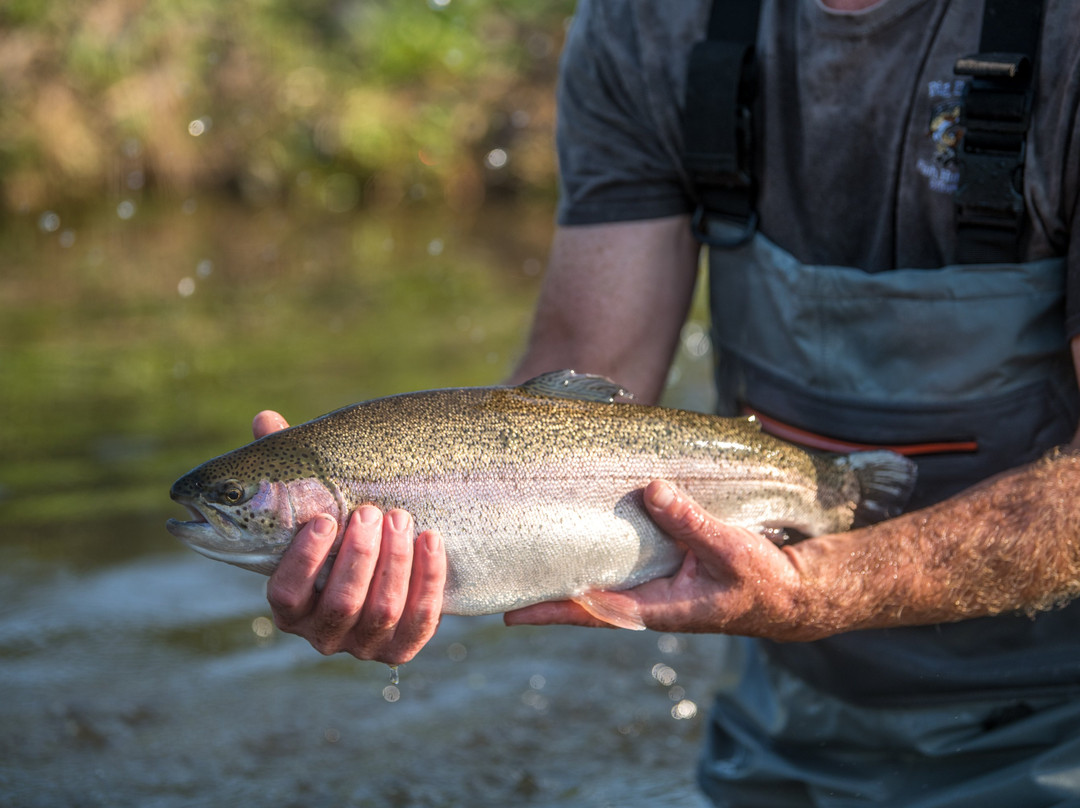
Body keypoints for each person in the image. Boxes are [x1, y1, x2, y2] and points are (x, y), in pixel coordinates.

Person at [254, 0, 1080, 804]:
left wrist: (824, 588)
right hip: (782, 726)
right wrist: (430, 527)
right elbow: (581, 385)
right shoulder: (653, 20)